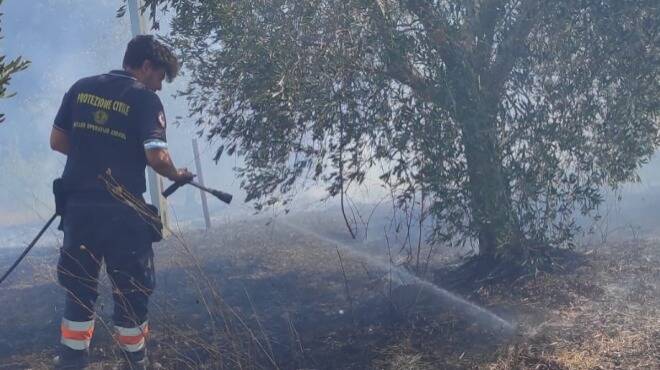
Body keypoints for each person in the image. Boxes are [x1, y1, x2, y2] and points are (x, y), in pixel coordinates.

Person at [49, 35, 193, 369]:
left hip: (79, 211)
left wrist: (94, 156)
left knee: (79, 290)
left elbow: (57, 141)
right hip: (123, 215)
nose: (158, 88)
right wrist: (175, 174)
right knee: (131, 293)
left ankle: (72, 362)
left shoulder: (80, 87)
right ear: (146, 67)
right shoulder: (144, 100)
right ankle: (135, 364)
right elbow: (157, 157)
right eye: (159, 78)